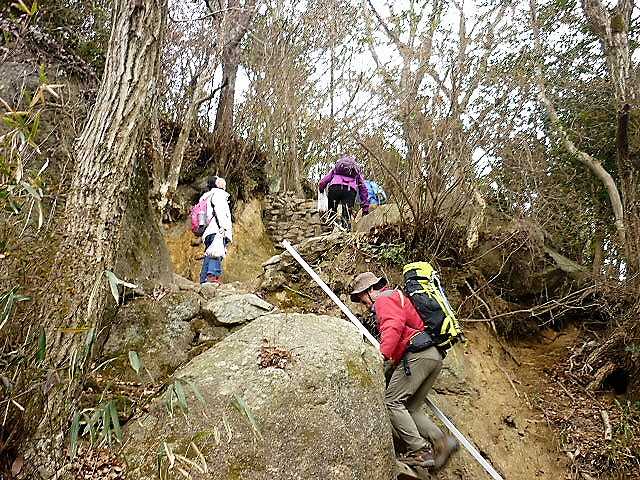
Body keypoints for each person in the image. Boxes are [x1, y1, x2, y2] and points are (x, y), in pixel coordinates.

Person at [349, 272, 459, 470]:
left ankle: (420, 451)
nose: (362, 303)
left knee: (392, 402)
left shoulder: (384, 299)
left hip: (418, 355)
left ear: (370, 290)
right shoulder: (398, 296)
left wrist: (382, 355)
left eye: (361, 297)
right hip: (433, 356)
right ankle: (441, 442)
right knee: (411, 408)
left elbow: (393, 325)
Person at [318, 155, 370, 229]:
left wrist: (321, 188)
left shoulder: (336, 169)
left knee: (332, 211)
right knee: (346, 215)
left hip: (334, 189)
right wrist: (365, 207)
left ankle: (329, 230)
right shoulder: (356, 172)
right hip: (350, 191)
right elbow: (363, 188)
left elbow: (323, 182)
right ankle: (345, 231)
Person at [199, 176, 232, 284]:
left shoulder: (206, 197)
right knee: (215, 253)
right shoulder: (219, 195)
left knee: (209, 253)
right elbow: (220, 212)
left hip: (208, 231)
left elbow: (203, 216)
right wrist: (223, 228)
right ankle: (212, 279)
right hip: (217, 229)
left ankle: (203, 279)